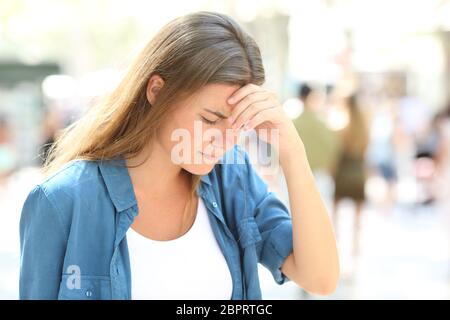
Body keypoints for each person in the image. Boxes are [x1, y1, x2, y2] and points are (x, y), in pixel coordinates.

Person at [19, 12, 339, 300]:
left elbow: (320, 279)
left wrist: (292, 153)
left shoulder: (234, 180)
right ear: (156, 91)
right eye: (211, 119)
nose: (225, 141)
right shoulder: (63, 201)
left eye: (238, 125)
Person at [332, 93, 369, 257]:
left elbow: (337, 151)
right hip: (358, 170)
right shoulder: (364, 129)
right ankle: (356, 247)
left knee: (336, 211)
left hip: (344, 170)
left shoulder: (343, 128)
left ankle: (335, 244)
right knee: (358, 215)